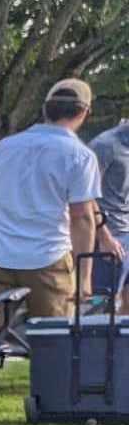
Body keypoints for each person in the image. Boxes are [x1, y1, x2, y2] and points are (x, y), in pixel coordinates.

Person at [0, 79, 106, 360]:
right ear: (84, 112)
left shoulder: (4, 147)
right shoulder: (80, 156)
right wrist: (84, 276)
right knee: (53, 331)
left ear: (45, 109)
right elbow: (83, 218)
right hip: (47, 258)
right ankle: (52, 395)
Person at [85, 101, 129, 308]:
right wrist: (104, 236)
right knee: (102, 306)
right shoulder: (105, 145)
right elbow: (84, 194)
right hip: (111, 237)